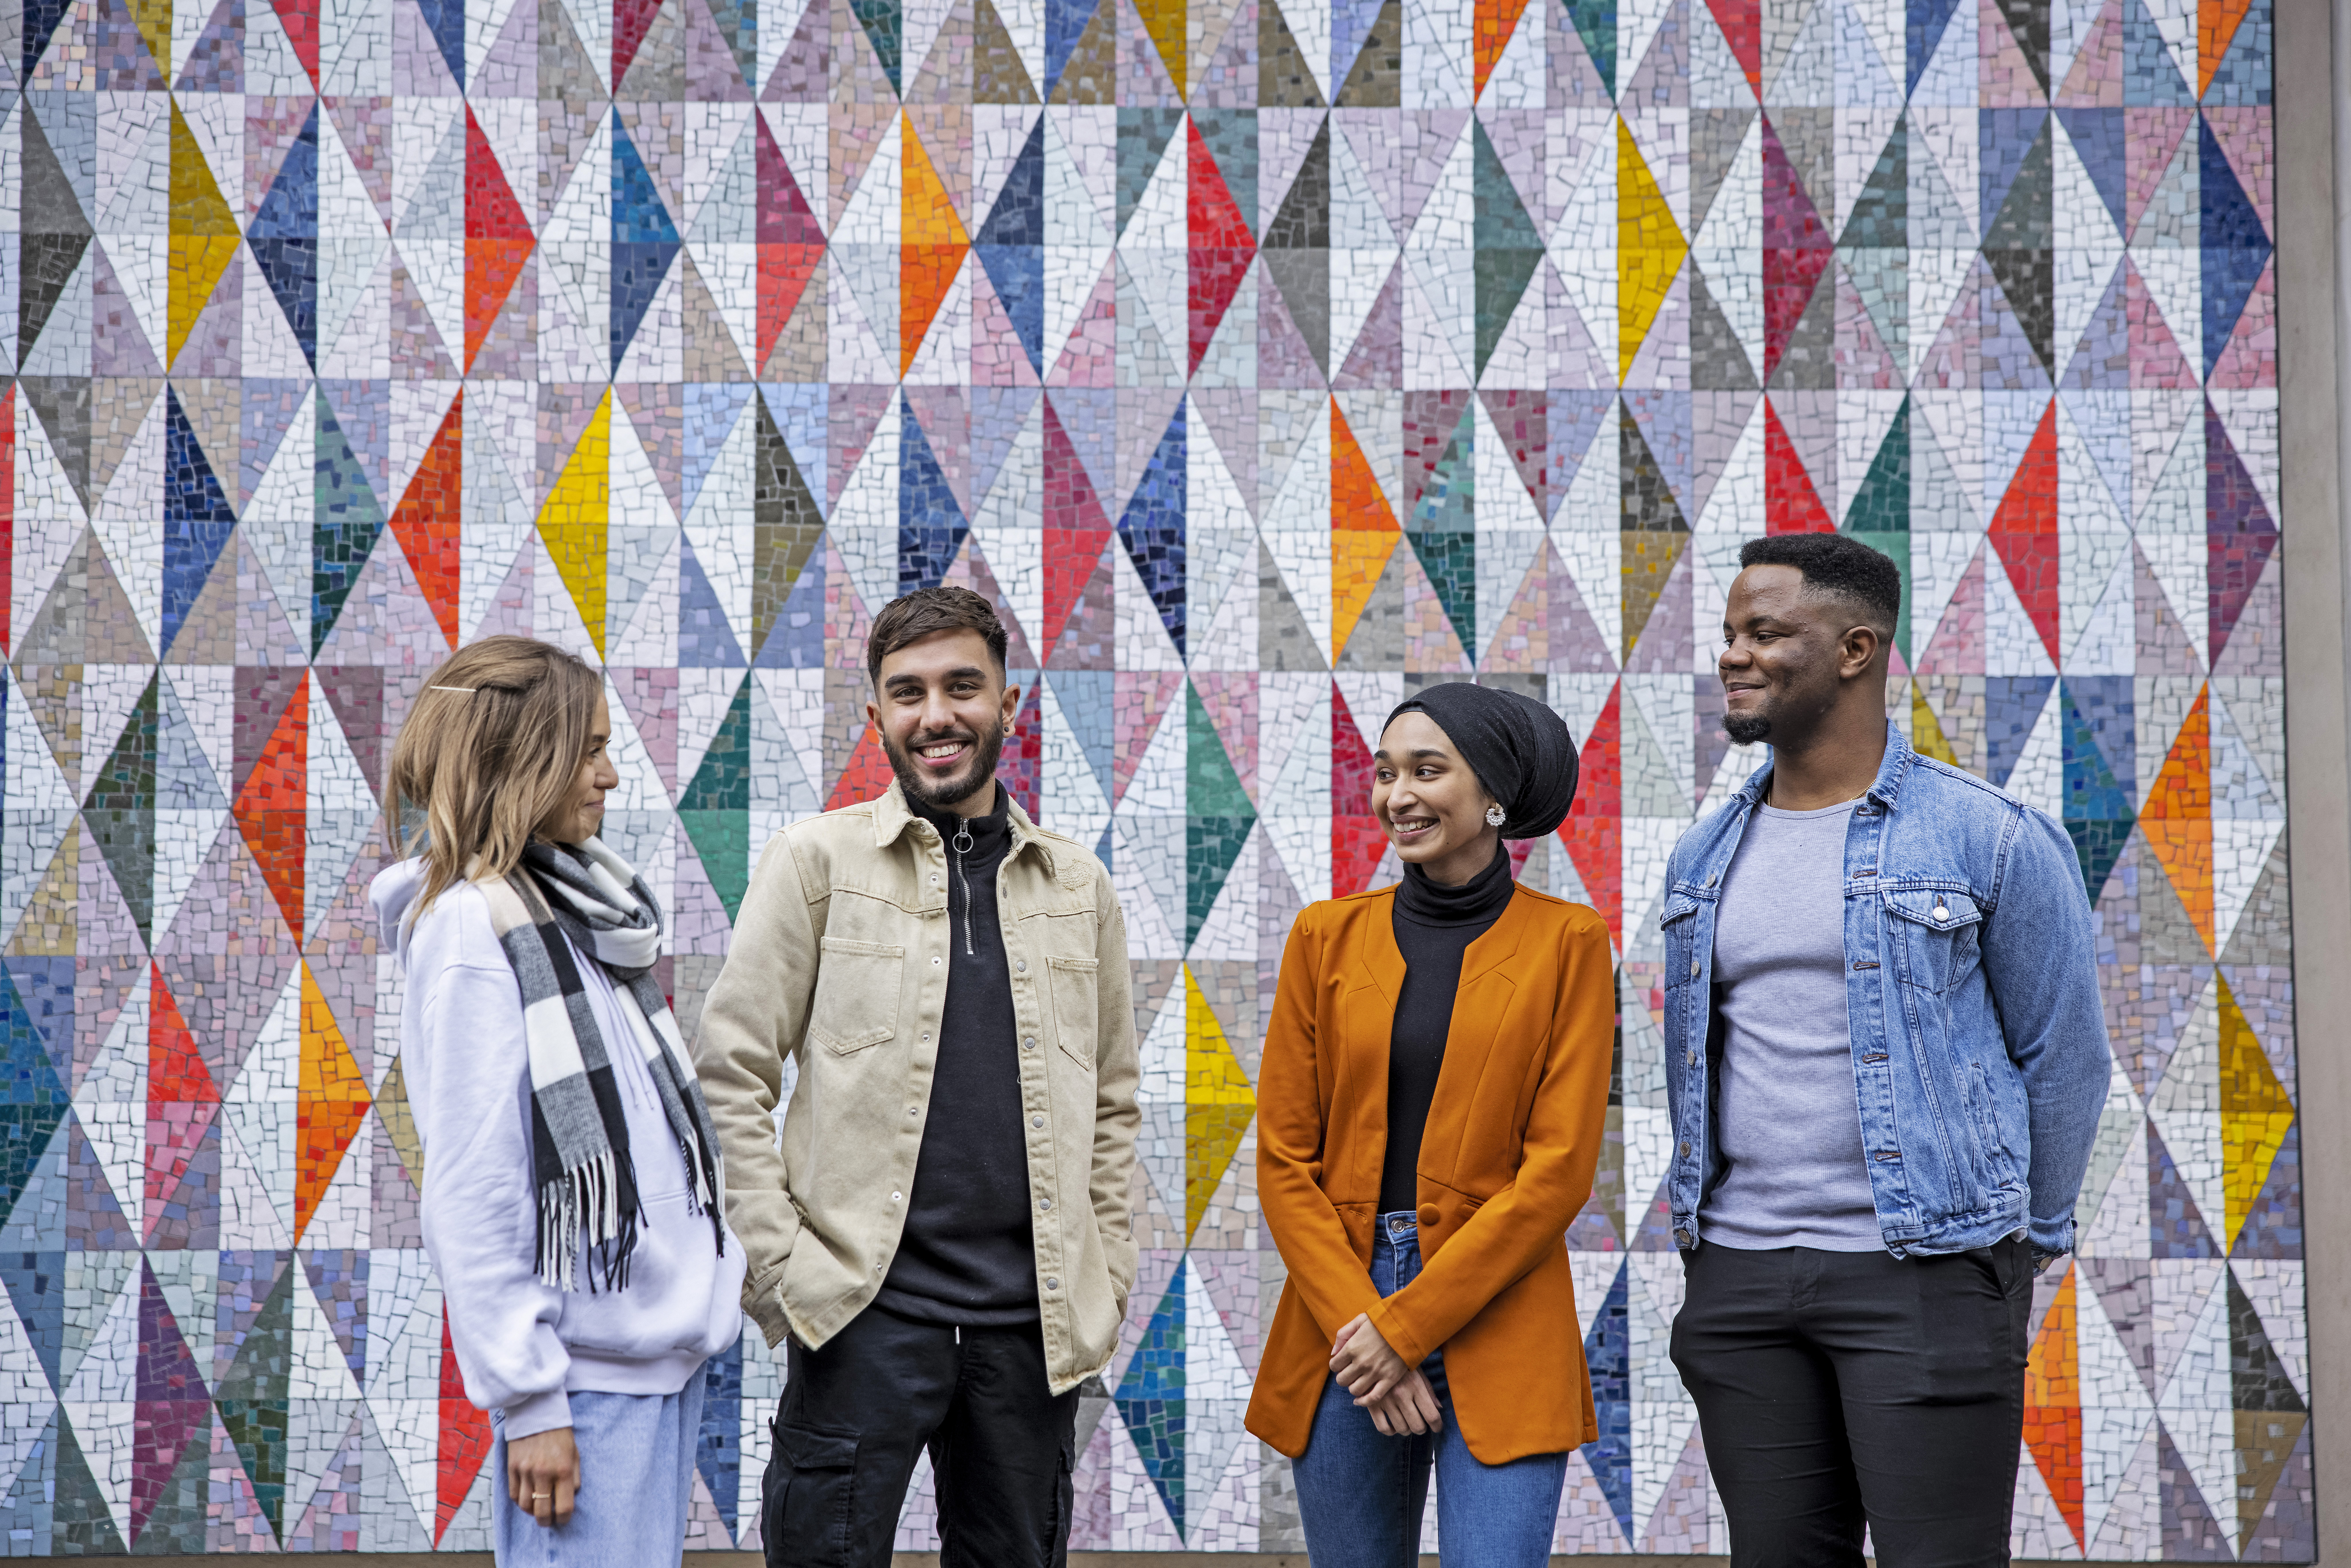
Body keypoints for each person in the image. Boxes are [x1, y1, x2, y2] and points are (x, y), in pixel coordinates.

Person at [1662, 532, 2111, 1568]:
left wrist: (2015, 1252)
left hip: (1926, 1271)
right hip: (1740, 1275)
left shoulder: (1987, 836)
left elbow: (2064, 1057)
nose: (1734, 654)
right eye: (1730, 633)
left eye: (1765, 632)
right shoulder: (1706, 851)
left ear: (1855, 649)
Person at [692, 585, 1140, 1568]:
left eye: (962, 687)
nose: (937, 715)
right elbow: (731, 1071)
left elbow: (1112, 1102)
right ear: (878, 717)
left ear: (1009, 705)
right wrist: (784, 1269)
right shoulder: (817, 863)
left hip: (1031, 1332)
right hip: (861, 1317)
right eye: (909, 693)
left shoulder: (1077, 886)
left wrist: (1104, 1278)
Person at [371, 635, 745, 1565]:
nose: (612, 776)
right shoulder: (471, 929)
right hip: (580, 1388)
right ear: (519, 758)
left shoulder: (574, 917)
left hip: (646, 1371)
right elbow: (474, 1187)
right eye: (588, 749)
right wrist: (530, 1398)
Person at [1247, 681, 1613, 1567]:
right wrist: (1367, 1324)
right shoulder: (1323, 939)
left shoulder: (1571, 943)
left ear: (1494, 796)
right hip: (1344, 1312)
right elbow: (1285, 1161)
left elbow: (1557, 1174)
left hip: (1502, 1308)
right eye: (1384, 773)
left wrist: (1405, 1331)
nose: (1396, 795)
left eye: (1426, 770)